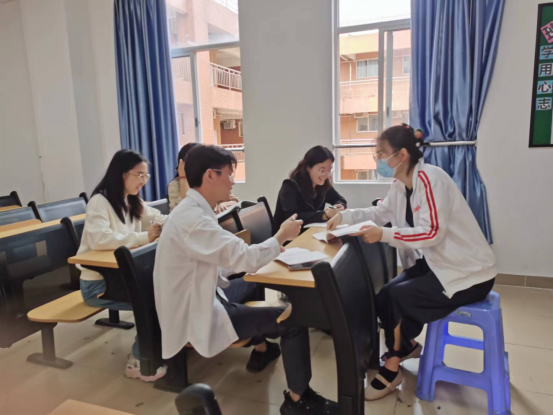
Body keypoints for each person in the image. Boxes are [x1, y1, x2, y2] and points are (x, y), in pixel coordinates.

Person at [154, 145, 339, 415]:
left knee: (258, 282)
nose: (233, 181)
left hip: (207, 294)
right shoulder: (193, 219)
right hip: (198, 311)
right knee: (293, 319)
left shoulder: (195, 210)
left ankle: (263, 347)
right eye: (229, 174)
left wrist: (265, 253)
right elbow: (245, 258)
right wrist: (280, 236)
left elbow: (225, 260)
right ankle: (299, 400)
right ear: (210, 175)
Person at [327, 124, 497, 401]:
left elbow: (432, 233)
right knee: (386, 295)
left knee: (400, 298)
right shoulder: (400, 186)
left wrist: (383, 234)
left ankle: (392, 367)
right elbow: (379, 213)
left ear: (402, 155)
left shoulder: (430, 179)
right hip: (440, 264)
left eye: (382, 153)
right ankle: (407, 346)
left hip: (468, 272)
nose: (378, 159)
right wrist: (344, 217)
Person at [78, 149, 167, 382]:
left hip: (122, 278)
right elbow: (100, 239)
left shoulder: (133, 200)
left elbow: (157, 216)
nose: (143, 181)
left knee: (163, 295)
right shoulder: (100, 202)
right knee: (153, 302)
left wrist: (178, 223)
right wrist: (143, 237)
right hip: (99, 285)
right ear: (121, 174)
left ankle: (160, 347)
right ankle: (139, 360)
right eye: (139, 175)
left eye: (146, 176)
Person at [273, 145, 347, 234]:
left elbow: (339, 199)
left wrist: (337, 207)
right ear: (308, 167)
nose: (326, 175)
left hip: (310, 233)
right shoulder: (289, 186)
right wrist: (324, 215)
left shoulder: (323, 185)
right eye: (322, 170)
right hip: (286, 238)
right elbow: (293, 217)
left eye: (329, 170)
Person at [167, 142, 239, 212]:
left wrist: (223, 204)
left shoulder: (208, 179)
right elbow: (185, 210)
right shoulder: (175, 185)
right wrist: (183, 177)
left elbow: (235, 200)